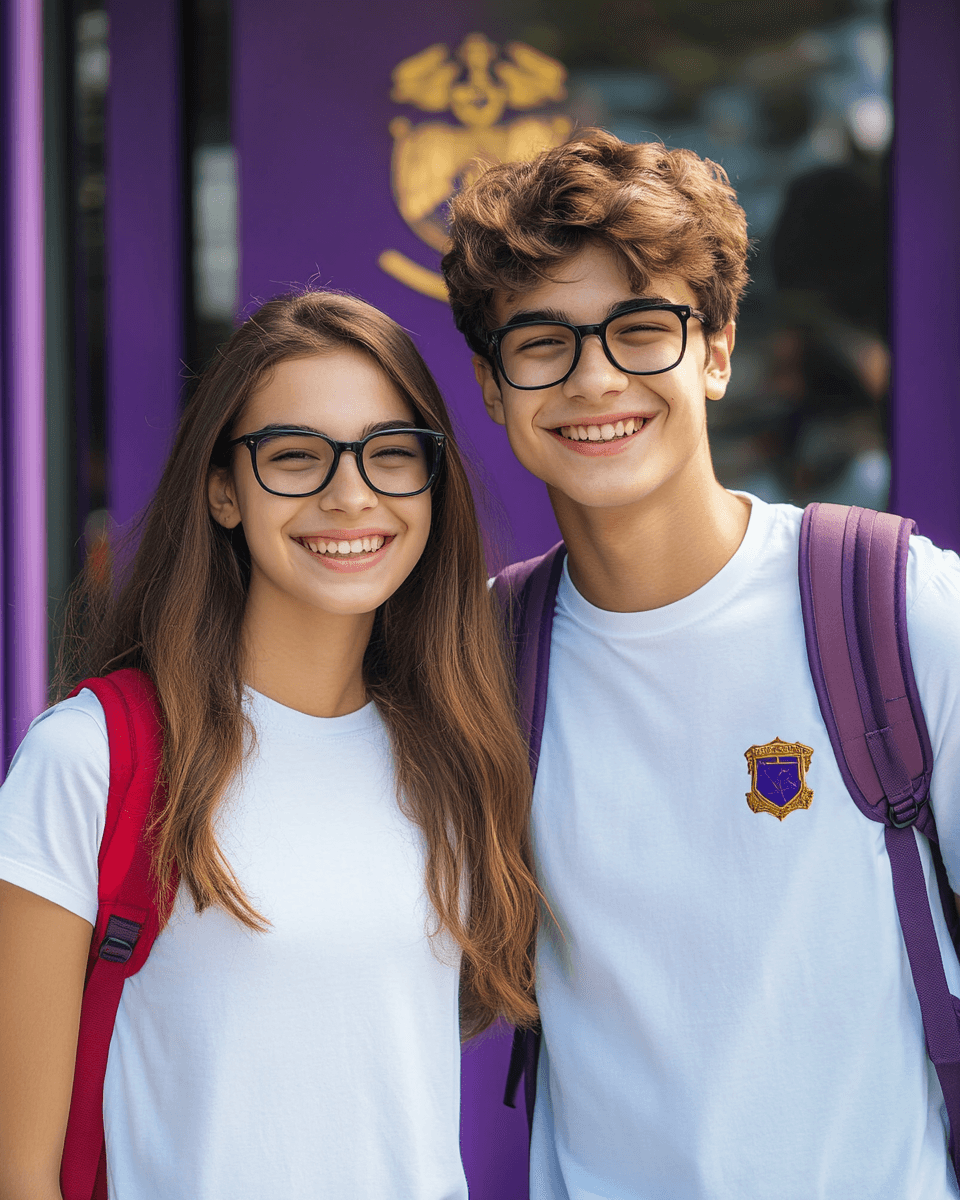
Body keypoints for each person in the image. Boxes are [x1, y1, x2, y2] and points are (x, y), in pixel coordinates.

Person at [441, 129, 960, 1199]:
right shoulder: (482, 660)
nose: (594, 380)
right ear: (494, 389)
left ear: (716, 350)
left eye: (640, 329)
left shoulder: (898, 611)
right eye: (541, 343)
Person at [0, 290, 541, 1200]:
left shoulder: (459, 752)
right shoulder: (93, 758)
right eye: (294, 457)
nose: (351, 494)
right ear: (222, 490)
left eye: (392, 455)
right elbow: (19, 1171)